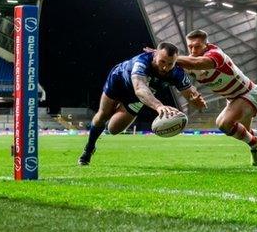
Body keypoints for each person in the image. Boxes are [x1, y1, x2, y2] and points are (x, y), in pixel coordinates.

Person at [77, 42, 206, 166]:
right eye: (162, 62)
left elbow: (189, 92)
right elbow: (139, 88)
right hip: (119, 82)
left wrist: (195, 99)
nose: (165, 67)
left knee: (113, 129)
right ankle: (89, 147)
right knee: (103, 115)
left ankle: (120, 111)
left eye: (170, 64)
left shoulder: (177, 73)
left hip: (137, 97)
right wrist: (159, 106)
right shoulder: (142, 61)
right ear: (155, 55)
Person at [176, 30, 257, 166]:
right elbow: (179, 76)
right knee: (246, 133)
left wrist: (172, 58)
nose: (193, 50)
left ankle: (255, 144)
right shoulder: (189, 62)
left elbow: (197, 63)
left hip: (249, 93)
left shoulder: (215, 54)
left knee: (223, 123)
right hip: (234, 99)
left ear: (206, 45)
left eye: (197, 46)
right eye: (190, 46)